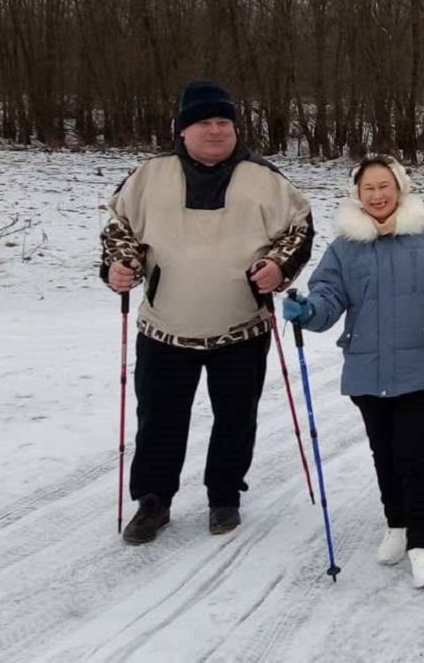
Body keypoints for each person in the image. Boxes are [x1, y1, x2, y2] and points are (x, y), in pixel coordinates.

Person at [100, 80, 314, 545]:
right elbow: (118, 228)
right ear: (182, 129)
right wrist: (120, 264)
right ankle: (153, 500)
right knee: (159, 419)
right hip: (165, 328)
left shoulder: (265, 178)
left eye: (223, 122)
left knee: (236, 416)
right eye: (204, 122)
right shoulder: (149, 175)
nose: (216, 130)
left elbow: (298, 229)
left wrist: (278, 267)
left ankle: (224, 495)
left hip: (241, 328)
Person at [282, 154, 424, 589]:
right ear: (358, 194)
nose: (377, 195)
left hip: (419, 368)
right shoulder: (345, 248)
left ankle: (422, 543)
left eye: (385, 186)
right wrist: (308, 311)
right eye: (369, 188)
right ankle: (396, 524)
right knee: (383, 453)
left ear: (399, 189)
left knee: (411, 454)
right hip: (367, 369)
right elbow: (328, 297)